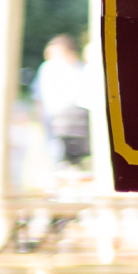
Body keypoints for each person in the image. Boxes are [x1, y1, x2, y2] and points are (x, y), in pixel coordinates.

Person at [32, 32, 98, 175]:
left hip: (76, 120)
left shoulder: (79, 67)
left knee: (72, 154)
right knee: (57, 153)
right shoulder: (49, 68)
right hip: (55, 118)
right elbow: (39, 97)